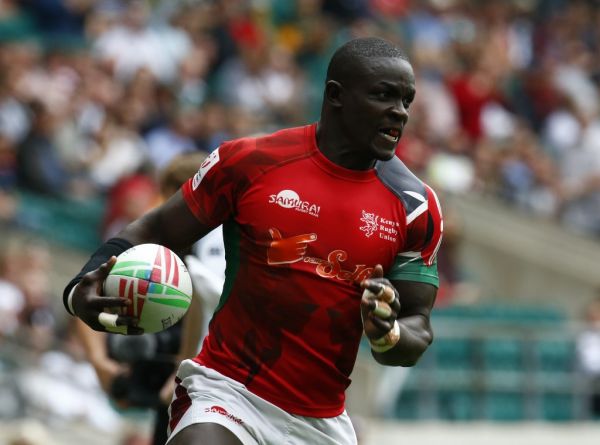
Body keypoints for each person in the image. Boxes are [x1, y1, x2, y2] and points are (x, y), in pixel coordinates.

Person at [64, 37, 443, 445]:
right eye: (384, 96)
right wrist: (81, 286)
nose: (399, 113)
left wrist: (388, 334)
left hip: (320, 422)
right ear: (335, 95)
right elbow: (156, 230)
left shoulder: (416, 207)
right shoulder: (251, 161)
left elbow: (415, 328)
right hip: (226, 392)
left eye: (407, 100)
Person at [73, 152, 225, 445]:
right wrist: (99, 361)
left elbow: (204, 309)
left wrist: (183, 368)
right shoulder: (151, 250)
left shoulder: (219, 250)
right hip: (162, 382)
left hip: (204, 388)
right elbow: (89, 297)